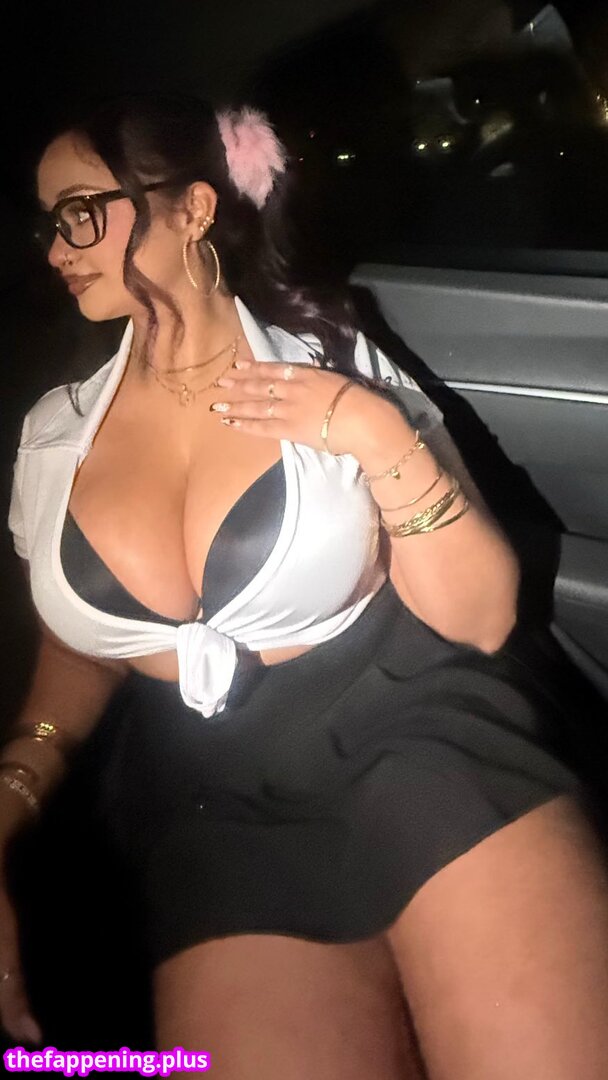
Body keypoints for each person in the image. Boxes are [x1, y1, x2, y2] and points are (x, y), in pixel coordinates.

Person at [2, 92, 608, 1079]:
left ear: (193, 209)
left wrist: (371, 431)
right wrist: (20, 779)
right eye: (47, 224)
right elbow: (81, 648)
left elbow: (482, 615)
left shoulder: (326, 359)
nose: (56, 248)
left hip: (414, 737)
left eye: (78, 212)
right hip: (214, 810)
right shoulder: (52, 436)